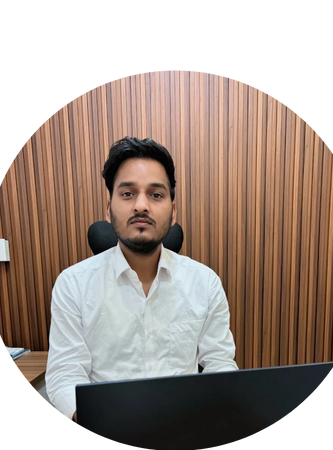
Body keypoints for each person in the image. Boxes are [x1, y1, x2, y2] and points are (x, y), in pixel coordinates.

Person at [45, 137, 239, 423]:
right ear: (108, 208)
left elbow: (219, 363)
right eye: (127, 194)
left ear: (173, 212)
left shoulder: (205, 282)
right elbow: (65, 372)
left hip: (185, 425)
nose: (141, 205)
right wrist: (96, 420)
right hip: (105, 424)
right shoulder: (73, 285)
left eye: (156, 195)